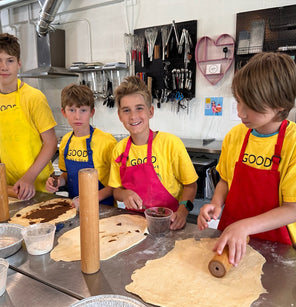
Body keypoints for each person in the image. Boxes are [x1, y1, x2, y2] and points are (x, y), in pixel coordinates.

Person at [198, 52, 296, 266]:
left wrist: (245, 226)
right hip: (231, 238)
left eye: (250, 105)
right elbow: (225, 180)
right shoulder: (236, 136)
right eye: (239, 101)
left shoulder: (293, 143)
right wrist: (215, 204)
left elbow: (293, 208)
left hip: (277, 249)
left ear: (280, 104)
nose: (241, 113)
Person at [108, 76, 198, 230]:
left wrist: (182, 212)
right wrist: (124, 195)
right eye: (126, 110)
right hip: (135, 224)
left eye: (139, 108)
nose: (133, 116)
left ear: (150, 111)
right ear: (120, 116)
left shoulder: (170, 144)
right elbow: (116, 190)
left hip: (170, 222)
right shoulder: (120, 149)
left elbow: (191, 185)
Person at [0, 33, 57, 200]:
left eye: (10, 60)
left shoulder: (34, 98)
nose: (4, 66)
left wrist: (29, 177)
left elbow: (51, 143)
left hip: (39, 186)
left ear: (18, 64)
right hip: (10, 189)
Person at [45, 84, 116, 205]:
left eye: (83, 110)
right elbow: (68, 175)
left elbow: (116, 184)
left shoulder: (106, 142)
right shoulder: (66, 141)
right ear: (64, 112)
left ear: (92, 112)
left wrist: (92, 198)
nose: (77, 116)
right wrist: (58, 181)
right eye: (72, 110)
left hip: (104, 207)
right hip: (76, 206)